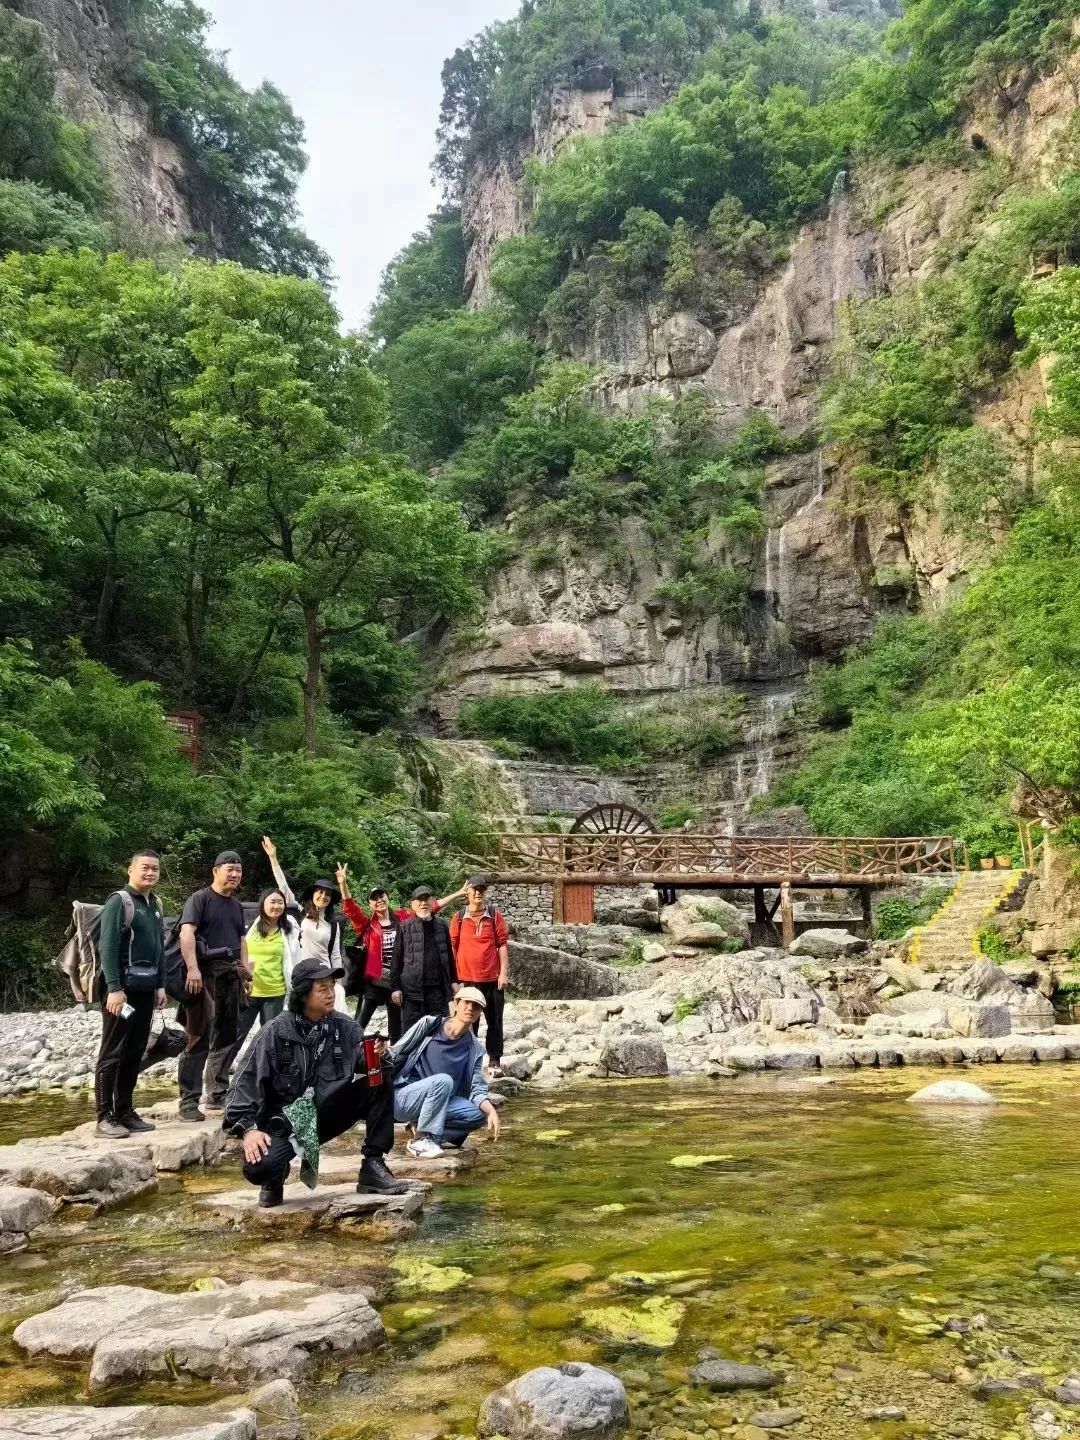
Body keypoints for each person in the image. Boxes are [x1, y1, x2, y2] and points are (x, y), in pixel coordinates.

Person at [223, 956, 409, 1208]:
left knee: (379, 1081)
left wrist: (379, 1056)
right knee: (259, 1168)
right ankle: (274, 1177)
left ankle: (372, 1165)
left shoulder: (345, 1027)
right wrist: (247, 1130)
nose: (331, 993)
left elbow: (371, 1066)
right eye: (322, 988)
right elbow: (243, 1083)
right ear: (302, 994)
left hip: (326, 1115)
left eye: (332, 986)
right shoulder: (274, 1032)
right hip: (286, 1125)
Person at [94, 851, 167, 1139]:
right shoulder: (119, 902)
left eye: (155, 869)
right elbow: (107, 948)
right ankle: (104, 1117)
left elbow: (159, 947)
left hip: (145, 990)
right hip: (121, 992)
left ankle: (124, 1110)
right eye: (145, 868)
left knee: (135, 1050)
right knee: (112, 1050)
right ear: (130, 870)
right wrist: (114, 989)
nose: (150, 873)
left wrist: (161, 985)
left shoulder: (155, 903)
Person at [343, 879, 468, 1044]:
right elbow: (351, 910)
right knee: (360, 1022)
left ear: (388, 898)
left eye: (382, 895)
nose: (379, 900)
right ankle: (350, 1051)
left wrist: (458, 894)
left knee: (397, 1029)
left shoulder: (402, 918)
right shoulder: (368, 925)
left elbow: (430, 906)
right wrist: (343, 885)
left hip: (398, 981)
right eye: (374, 898)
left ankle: (395, 1061)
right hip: (376, 980)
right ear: (370, 904)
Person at [177, 850, 248, 1123]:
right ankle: (188, 1101)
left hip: (230, 977)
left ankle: (217, 1093)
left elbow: (242, 941)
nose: (234, 875)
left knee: (228, 1036)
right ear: (215, 871)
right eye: (229, 869)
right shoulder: (200, 899)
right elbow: (187, 933)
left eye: (238, 871)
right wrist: (192, 968)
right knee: (198, 1036)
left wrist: (245, 972)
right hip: (203, 976)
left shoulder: (236, 905)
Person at [391, 989, 502, 1158]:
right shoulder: (429, 1025)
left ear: (480, 1014)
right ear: (456, 1004)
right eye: (466, 1003)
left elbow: (477, 1089)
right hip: (405, 1098)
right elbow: (396, 1051)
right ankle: (422, 1140)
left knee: (479, 1114)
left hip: (439, 1103)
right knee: (443, 1081)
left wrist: (492, 1112)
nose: (470, 1008)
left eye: (477, 1006)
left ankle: (420, 1131)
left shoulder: (475, 1049)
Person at [223, 887, 300, 1074]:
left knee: (271, 1038)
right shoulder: (254, 926)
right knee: (236, 1035)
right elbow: (244, 955)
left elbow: (296, 959)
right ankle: (220, 1076)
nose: (276, 906)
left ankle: (267, 1075)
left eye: (280, 902)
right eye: (272, 902)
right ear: (263, 904)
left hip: (275, 992)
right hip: (249, 991)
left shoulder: (290, 927)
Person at [448, 876, 509, 1079]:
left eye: (481, 889)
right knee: (467, 1021)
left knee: (495, 1021)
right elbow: (452, 948)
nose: (477, 893)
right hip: (467, 980)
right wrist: (454, 979)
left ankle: (494, 1061)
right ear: (467, 893)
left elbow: (502, 945)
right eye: (474, 889)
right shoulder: (458, 918)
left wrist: (503, 973)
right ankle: (468, 1060)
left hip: (492, 978)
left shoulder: (494, 916)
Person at [389, 886, 459, 1032]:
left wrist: (454, 981)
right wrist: (395, 987)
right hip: (412, 992)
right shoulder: (404, 927)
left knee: (439, 1033)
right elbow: (396, 959)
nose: (423, 903)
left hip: (438, 991)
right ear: (413, 904)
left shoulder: (442, 926)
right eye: (419, 900)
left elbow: (449, 957)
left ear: (432, 901)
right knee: (411, 1034)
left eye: (426, 899)